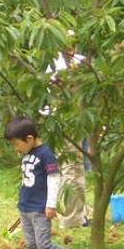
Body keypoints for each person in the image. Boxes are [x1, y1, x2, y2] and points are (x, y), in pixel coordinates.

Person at [4, 116, 90, 249]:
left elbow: (54, 178)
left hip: (40, 209)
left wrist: (51, 205)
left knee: (43, 243)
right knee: (32, 245)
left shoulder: (46, 154)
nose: (16, 148)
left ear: (29, 139)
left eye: (17, 144)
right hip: (26, 208)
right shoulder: (27, 153)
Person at [45, 35, 91, 229]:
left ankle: (80, 214)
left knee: (79, 168)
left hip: (79, 120)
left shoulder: (79, 61)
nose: (70, 48)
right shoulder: (55, 65)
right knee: (70, 169)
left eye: (72, 43)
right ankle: (70, 218)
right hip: (64, 120)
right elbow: (54, 95)